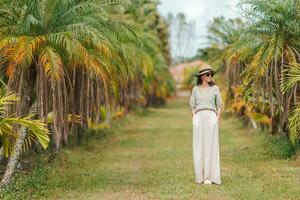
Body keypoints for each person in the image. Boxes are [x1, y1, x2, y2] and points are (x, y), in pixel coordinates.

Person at [189, 64, 223, 185]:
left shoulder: (215, 89)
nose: (210, 76)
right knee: (199, 147)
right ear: (202, 76)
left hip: (211, 118)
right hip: (199, 118)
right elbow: (192, 105)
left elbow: (219, 105)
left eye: (211, 74)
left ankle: (209, 177)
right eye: (208, 74)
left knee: (211, 146)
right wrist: (195, 119)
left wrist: (216, 119)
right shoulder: (195, 89)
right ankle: (200, 176)